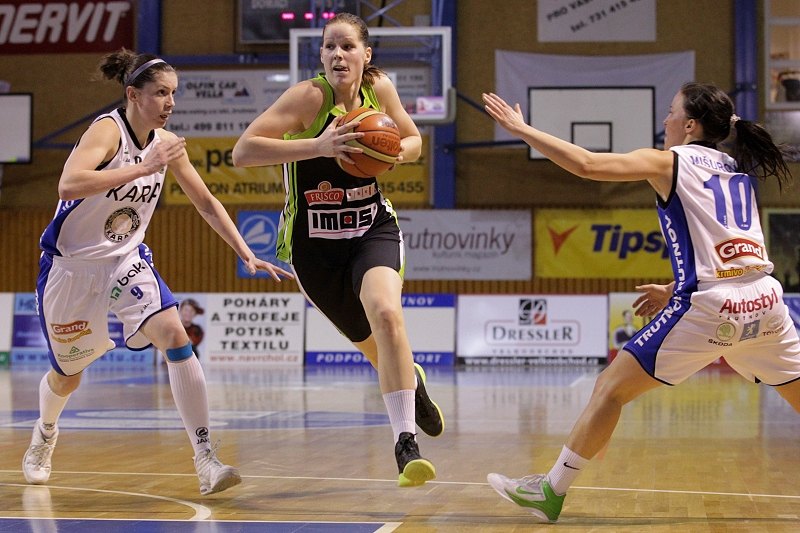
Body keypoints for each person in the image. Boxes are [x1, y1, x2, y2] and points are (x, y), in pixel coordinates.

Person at [482, 83, 800, 522]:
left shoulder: (669, 161)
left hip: (712, 308)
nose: (665, 120)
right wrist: (675, 287)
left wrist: (521, 129)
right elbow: (733, 251)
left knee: (609, 390)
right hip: (766, 301)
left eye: (671, 112)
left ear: (689, 125)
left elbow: (587, 164)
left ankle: (550, 491)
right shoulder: (735, 168)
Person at [23, 49, 292, 496]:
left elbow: (206, 202)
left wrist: (246, 252)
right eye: (161, 93)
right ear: (133, 95)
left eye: (173, 94)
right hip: (70, 267)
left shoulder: (166, 143)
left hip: (125, 259)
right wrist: (142, 167)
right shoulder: (106, 131)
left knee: (175, 336)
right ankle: (45, 432)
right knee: (68, 377)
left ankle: (205, 458)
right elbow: (69, 183)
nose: (170, 103)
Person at [232, 12, 443, 487]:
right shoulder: (308, 99)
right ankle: (413, 382)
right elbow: (242, 152)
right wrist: (319, 146)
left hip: (371, 227)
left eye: (347, 46)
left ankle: (405, 444)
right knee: (376, 349)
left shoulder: (379, 89)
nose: (337, 55)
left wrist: (393, 150)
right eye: (329, 46)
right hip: (314, 246)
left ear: (366, 54)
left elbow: (413, 140)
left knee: (386, 314)